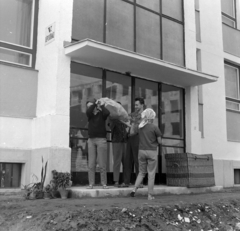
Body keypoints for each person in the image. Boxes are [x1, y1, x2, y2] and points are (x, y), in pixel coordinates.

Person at [130, 108, 162, 200]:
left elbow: (132, 133)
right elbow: (160, 141)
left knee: (141, 172)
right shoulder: (155, 127)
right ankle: (150, 195)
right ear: (152, 117)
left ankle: (134, 190)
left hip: (141, 151)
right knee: (151, 174)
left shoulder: (140, 127)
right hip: (151, 151)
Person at [119, 97, 145, 188]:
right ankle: (126, 182)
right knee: (127, 161)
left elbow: (139, 126)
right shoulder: (133, 114)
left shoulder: (144, 115)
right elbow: (126, 117)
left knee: (138, 161)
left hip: (138, 138)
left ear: (142, 105)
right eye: (135, 105)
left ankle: (140, 183)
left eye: (137, 105)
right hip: (130, 138)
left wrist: (128, 122)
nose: (136, 106)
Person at [86, 98, 110, 189]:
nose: (89, 107)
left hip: (101, 140)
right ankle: (91, 184)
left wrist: (101, 105)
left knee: (102, 163)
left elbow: (107, 113)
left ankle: (104, 183)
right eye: (88, 106)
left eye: (90, 105)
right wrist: (93, 104)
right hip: (91, 140)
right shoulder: (90, 115)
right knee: (91, 164)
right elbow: (88, 111)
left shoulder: (102, 114)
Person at [109, 102, 128, 187]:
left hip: (125, 141)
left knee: (125, 162)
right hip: (116, 141)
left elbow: (127, 126)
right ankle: (116, 181)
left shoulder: (123, 117)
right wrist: (117, 118)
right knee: (117, 161)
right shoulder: (112, 117)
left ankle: (125, 181)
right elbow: (110, 126)